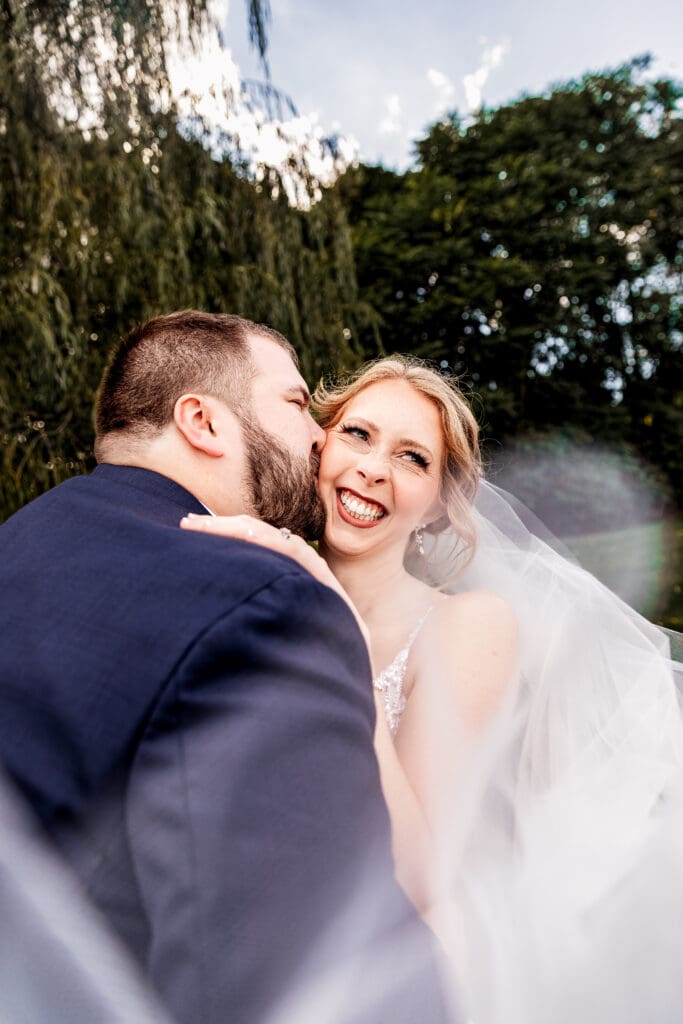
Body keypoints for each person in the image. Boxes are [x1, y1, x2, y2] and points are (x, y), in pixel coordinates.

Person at [184, 353, 683, 1024]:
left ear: (436, 506)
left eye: (412, 459)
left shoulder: (470, 626)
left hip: (412, 968)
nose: (373, 468)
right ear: (318, 444)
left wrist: (335, 632)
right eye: (357, 435)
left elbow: (418, 871)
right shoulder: (258, 600)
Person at [0, 316, 451, 1024]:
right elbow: (317, 987)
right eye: (298, 405)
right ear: (202, 421)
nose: (319, 440)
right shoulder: (263, 608)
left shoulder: (20, 541)